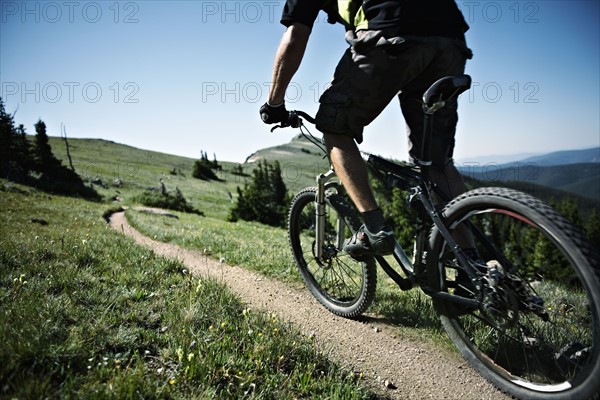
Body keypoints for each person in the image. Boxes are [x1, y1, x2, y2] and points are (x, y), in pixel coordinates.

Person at [260, 0, 474, 259]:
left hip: (390, 33)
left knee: (334, 125)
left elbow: (295, 36)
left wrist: (274, 103)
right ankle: (471, 268)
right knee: (436, 161)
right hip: (451, 38)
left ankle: (374, 230)